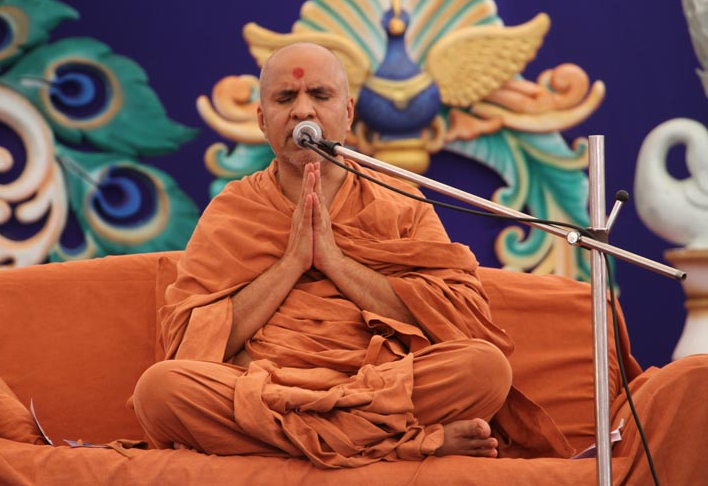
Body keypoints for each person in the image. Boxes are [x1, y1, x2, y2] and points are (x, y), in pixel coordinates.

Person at [133, 42, 572, 468]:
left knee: (485, 369)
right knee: (160, 390)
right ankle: (406, 442)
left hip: (379, 384)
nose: (303, 111)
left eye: (319, 95)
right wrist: (290, 264)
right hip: (267, 388)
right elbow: (194, 345)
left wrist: (336, 263)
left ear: (347, 113)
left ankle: (289, 442)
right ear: (263, 120)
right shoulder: (234, 210)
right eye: (285, 98)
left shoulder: (400, 201)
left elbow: (453, 319)